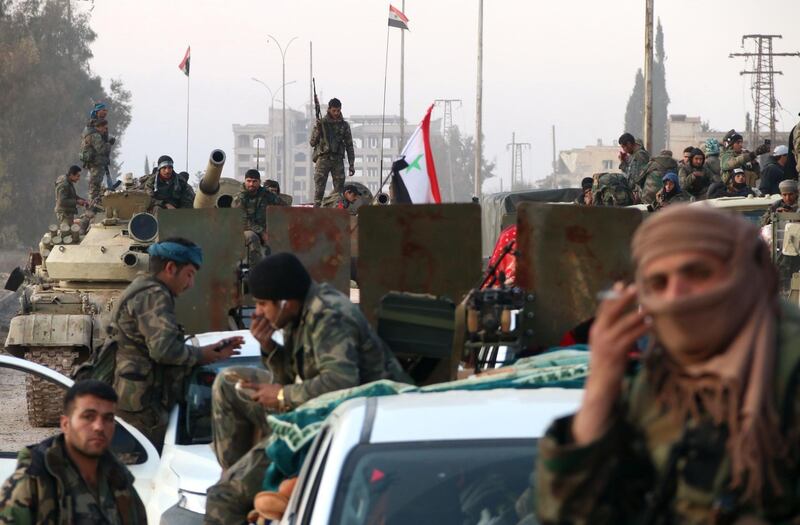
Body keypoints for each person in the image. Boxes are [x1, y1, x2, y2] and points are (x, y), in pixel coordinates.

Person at [535, 205, 800, 524]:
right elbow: (575, 516)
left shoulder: (789, 371)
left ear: (745, 273)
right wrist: (601, 384)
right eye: (659, 283)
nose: (676, 296)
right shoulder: (654, 385)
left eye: (698, 273)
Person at [205, 253, 410, 525]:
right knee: (230, 382)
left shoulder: (329, 316)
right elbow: (293, 377)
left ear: (284, 302)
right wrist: (268, 348)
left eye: (263, 304)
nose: (257, 313)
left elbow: (340, 384)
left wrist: (280, 396)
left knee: (222, 499)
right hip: (317, 412)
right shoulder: (296, 314)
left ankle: (239, 488)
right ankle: (238, 476)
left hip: (344, 425)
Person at [110, 238, 243, 448]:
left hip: (137, 401)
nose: (190, 284)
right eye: (189, 275)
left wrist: (205, 351)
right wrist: (203, 355)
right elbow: (164, 350)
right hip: (142, 408)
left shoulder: (143, 288)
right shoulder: (154, 295)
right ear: (171, 268)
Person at [0, 380, 146, 523]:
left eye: (108, 418)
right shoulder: (35, 481)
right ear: (65, 424)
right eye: (88, 416)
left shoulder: (118, 478)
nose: (99, 427)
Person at [309, 98, 355, 207]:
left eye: (338, 111)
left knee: (339, 191)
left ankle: (336, 209)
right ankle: (316, 211)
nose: (336, 113)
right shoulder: (322, 123)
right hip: (323, 159)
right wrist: (318, 130)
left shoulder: (344, 125)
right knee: (319, 189)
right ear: (329, 109)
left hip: (337, 160)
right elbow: (312, 142)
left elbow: (349, 145)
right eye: (334, 110)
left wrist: (351, 164)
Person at [233, 169, 283, 264]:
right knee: (252, 237)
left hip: (265, 231)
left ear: (259, 182)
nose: (251, 184)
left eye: (254, 181)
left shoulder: (265, 194)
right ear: (245, 181)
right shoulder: (239, 198)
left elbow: (283, 206)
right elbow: (243, 221)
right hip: (243, 232)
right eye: (249, 181)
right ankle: (255, 270)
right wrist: (262, 232)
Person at [80, 118, 113, 204]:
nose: (105, 130)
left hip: (94, 163)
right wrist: (109, 144)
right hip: (96, 163)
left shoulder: (90, 133)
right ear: (99, 127)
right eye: (104, 128)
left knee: (95, 185)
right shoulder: (95, 135)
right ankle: (93, 205)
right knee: (95, 186)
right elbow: (102, 149)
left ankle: (94, 202)